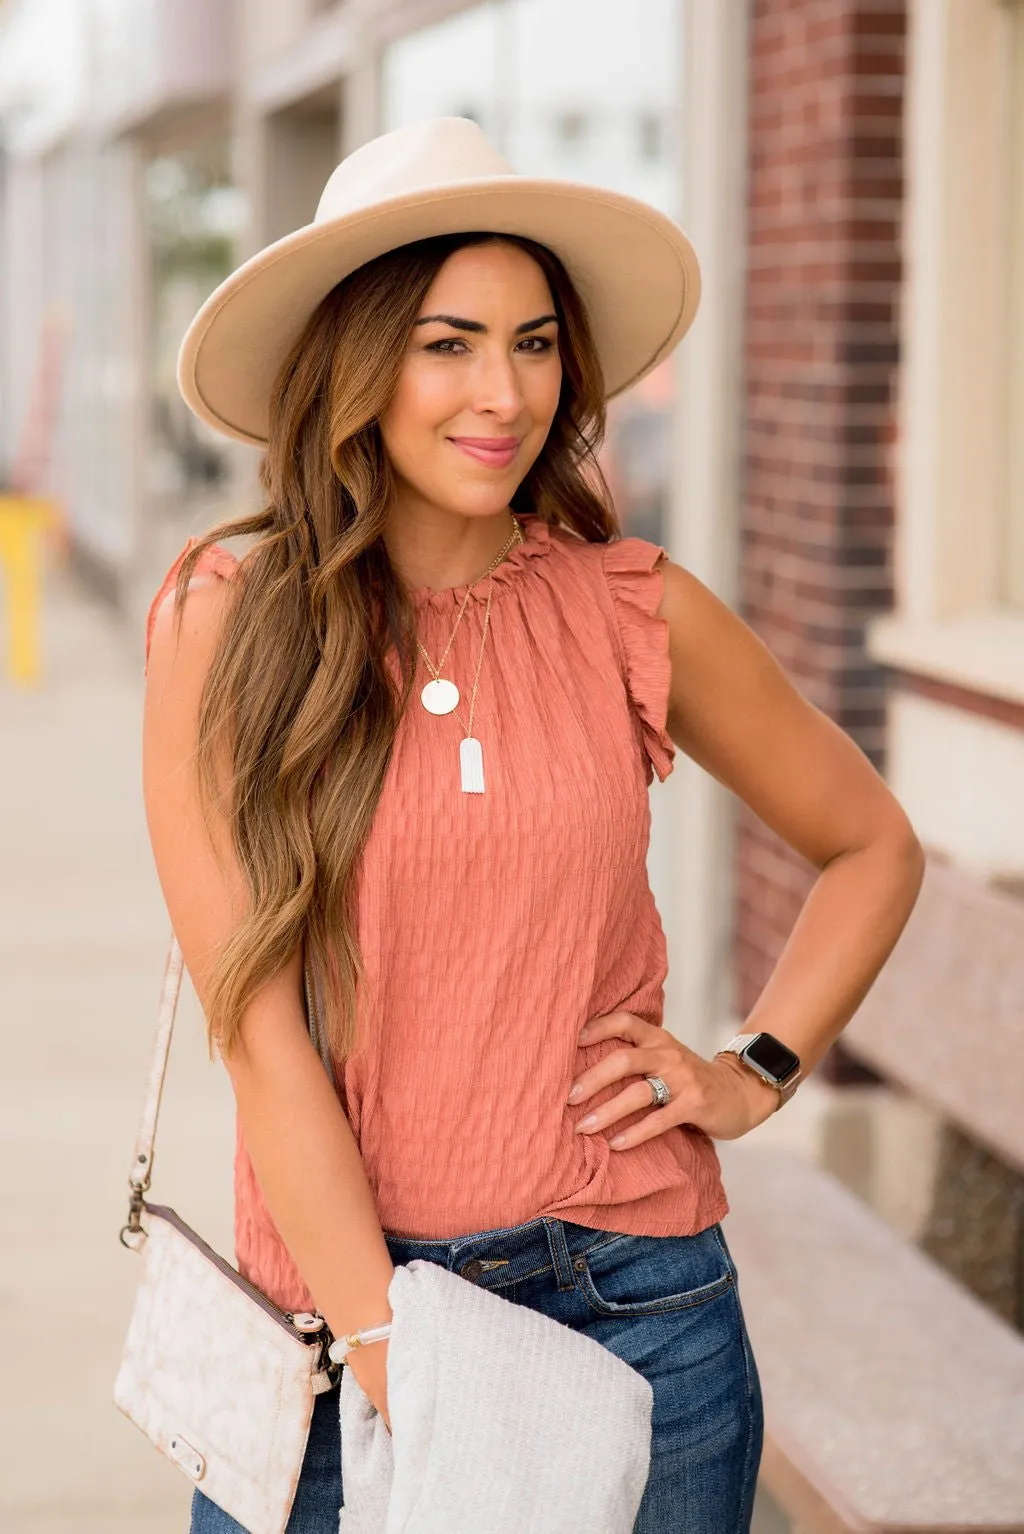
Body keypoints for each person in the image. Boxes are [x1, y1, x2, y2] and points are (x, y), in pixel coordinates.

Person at [142, 118, 925, 1534]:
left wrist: (752, 1066)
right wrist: (397, 1358)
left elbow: (873, 842)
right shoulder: (222, 619)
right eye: (446, 343)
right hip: (331, 1344)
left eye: (534, 341)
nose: (501, 392)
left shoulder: (634, 607)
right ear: (356, 361)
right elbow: (256, 1026)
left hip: (633, 1311)